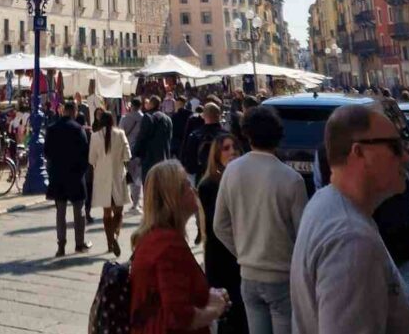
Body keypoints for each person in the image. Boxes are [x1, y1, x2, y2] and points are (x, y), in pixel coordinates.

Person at [290, 103, 409, 333]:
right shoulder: (351, 240)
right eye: (395, 147)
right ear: (358, 152)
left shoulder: (325, 203)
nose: (406, 157)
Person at [215, 108, 307, 334]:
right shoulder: (291, 179)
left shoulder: (232, 171)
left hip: (248, 273)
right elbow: (304, 235)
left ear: (247, 135)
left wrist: (244, 252)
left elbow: (220, 225)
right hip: (281, 274)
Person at [130, 159, 230, 334]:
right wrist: (215, 309)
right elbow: (179, 316)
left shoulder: (155, 237)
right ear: (173, 197)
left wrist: (208, 297)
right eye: (186, 185)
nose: (193, 190)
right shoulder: (168, 245)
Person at [198, 134, 247, 334]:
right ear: (217, 154)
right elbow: (215, 224)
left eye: (234, 147)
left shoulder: (245, 179)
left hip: (240, 257)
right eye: (226, 148)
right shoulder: (209, 184)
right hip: (220, 257)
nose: (232, 151)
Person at [45, 100, 92, 256]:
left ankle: (61, 245)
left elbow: (47, 153)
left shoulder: (52, 129)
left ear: (63, 111)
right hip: (75, 175)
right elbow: (86, 155)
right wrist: (81, 171)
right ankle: (79, 243)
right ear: (75, 111)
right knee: (79, 211)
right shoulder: (78, 129)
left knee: (61, 212)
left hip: (58, 176)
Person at [88, 111, 131, 256]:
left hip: (102, 178)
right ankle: (116, 236)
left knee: (106, 213)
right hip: (118, 177)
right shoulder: (120, 134)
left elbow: (91, 159)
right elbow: (127, 155)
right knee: (118, 211)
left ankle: (109, 242)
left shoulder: (95, 136)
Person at [132, 96, 172, 184]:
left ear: (151, 104)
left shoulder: (148, 117)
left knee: (149, 187)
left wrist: (134, 153)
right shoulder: (168, 119)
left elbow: (142, 137)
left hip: (149, 159)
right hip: (164, 159)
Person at [181, 102, 224, 183]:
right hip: (223, 177)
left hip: (202, 177)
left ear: (203, 116)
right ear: (219, 115)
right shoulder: (226, 136)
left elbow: (189, 165)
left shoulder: (195, 136)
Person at [120, 97, 144, 213]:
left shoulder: (125, 118)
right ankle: (136, 203)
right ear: (141, 105)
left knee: (129, 176)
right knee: (138, 177)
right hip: (139, 151)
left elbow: (120, 135)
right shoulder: (145, 118)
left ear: (131, 106)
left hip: (126, 150)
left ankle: (133, 201)